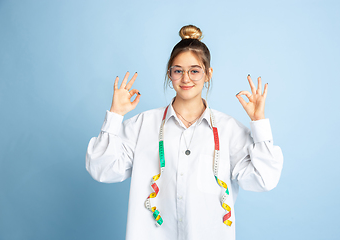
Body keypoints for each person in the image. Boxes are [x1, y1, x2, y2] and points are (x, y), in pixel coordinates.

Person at [86, 25, 283, 240]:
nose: (186, 78)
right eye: (178, 70)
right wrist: (115, 115)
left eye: (195, 71)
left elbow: (264, 179)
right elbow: (101, 169)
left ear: (208, 74)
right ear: (169, 74)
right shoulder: (143, 124)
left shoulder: (228, 130)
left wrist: (259, 122)